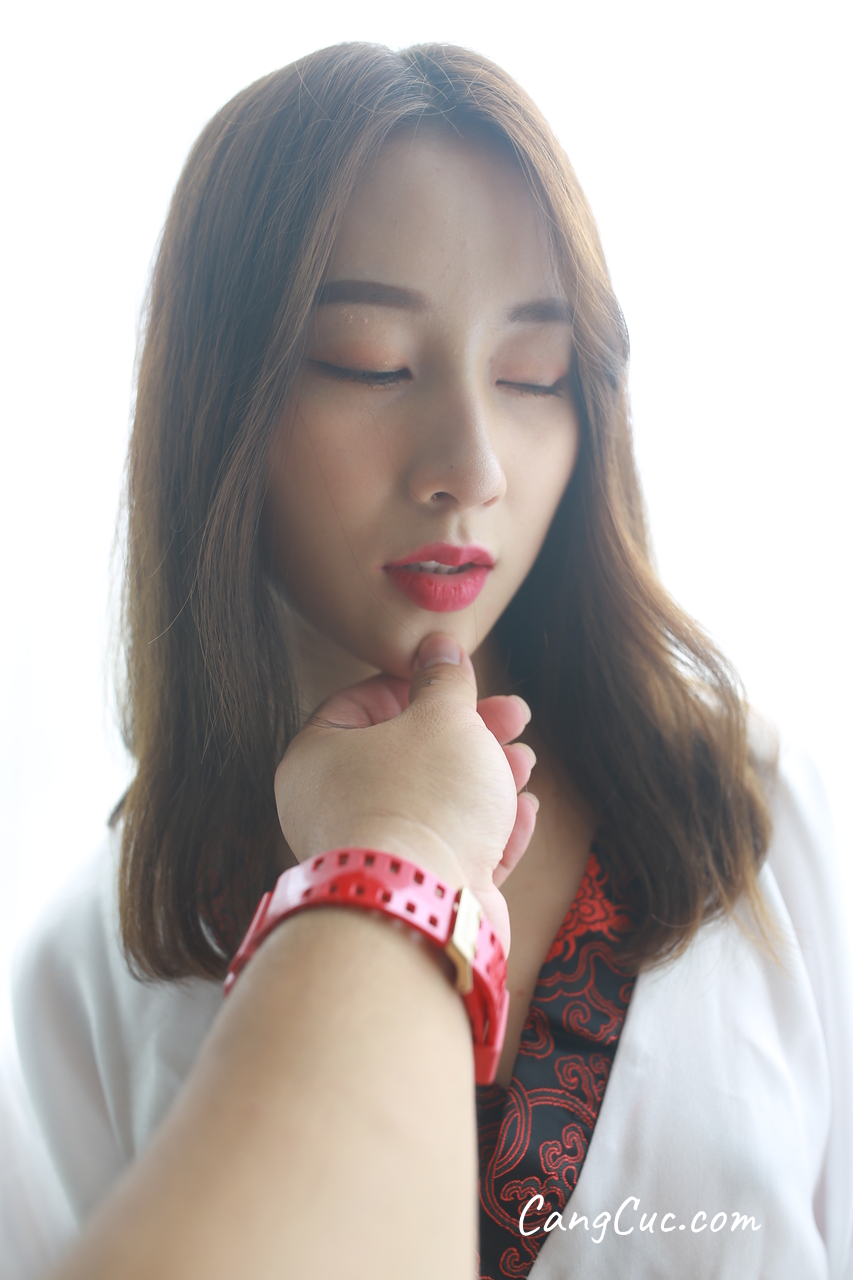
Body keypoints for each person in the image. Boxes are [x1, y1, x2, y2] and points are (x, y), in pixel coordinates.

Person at [8, 40, 852, 1280]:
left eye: (532, 375)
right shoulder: (89, 975)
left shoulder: (759, 816)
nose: (473, 464)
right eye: (371, 361)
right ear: (220, 404)